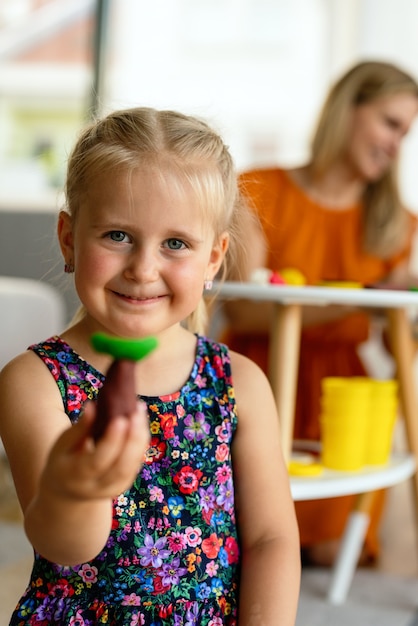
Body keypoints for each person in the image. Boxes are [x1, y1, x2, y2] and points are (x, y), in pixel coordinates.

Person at [0, 107, 300, 625]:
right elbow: (66, 546)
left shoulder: (239, 382)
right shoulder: (36, 382)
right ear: (69, 238)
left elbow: (272, 538)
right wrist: (79, 487)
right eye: (117, 235)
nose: (143, 268)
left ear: (213, 259)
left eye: (176, 244)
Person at [221, 60, 418, 566]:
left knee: (334, 552)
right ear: (346, 109)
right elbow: (243, 311)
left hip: (342, 397)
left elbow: (400, 337)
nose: (397, 144)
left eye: (407, 132)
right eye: (390, 123)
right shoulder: (257, 190)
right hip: (255, 379)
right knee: (240, 542)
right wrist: (362, 294)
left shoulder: (399, 224)